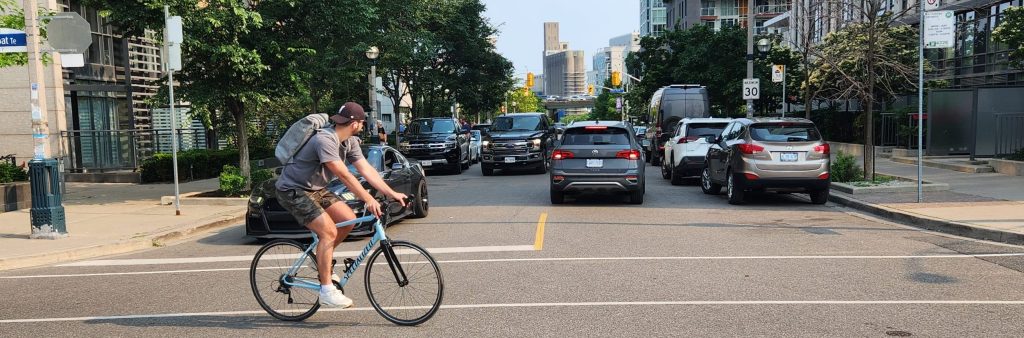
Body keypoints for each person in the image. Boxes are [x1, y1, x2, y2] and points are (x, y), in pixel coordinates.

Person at [275, 102, 407, 308]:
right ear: (355, 123)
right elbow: (343, 175)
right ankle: (327, 291)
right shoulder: (324, 140)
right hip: (292, 190)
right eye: (363, 122)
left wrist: (391, 193)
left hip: (315, 189)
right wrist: (368, 199)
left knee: (348, 219)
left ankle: (319, 258)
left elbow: (367, 170)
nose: (363, 126)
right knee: (328, 232)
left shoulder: (350, 142)